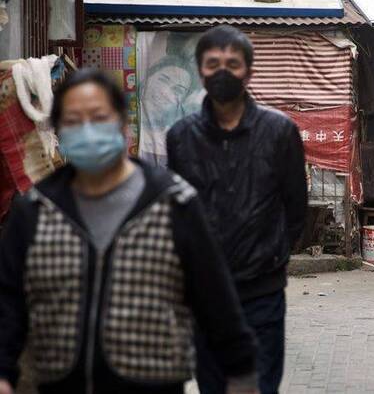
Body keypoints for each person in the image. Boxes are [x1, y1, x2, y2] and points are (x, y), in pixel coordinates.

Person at [0, 69, 258, 394]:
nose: (88, 130)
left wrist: (242, 372)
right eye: (73, 121)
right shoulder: (36, 210)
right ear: (59, 132)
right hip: (59, 383)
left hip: (152, 384)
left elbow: (216, 298)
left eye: (98, 117)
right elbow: (9, 302)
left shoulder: (173, 203)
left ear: (123, 125)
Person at [166, 25, 308, 394]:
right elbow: (179, 214)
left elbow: (296, 208)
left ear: (249, 71)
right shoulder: (181, 137)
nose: (223, 71)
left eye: (233, 63)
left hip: (262, 291)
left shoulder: (279, 132)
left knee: (259, 387)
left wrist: (273, 257)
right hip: (205, 294)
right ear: (200, 70)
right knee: (214, 387)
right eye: (213, 63)